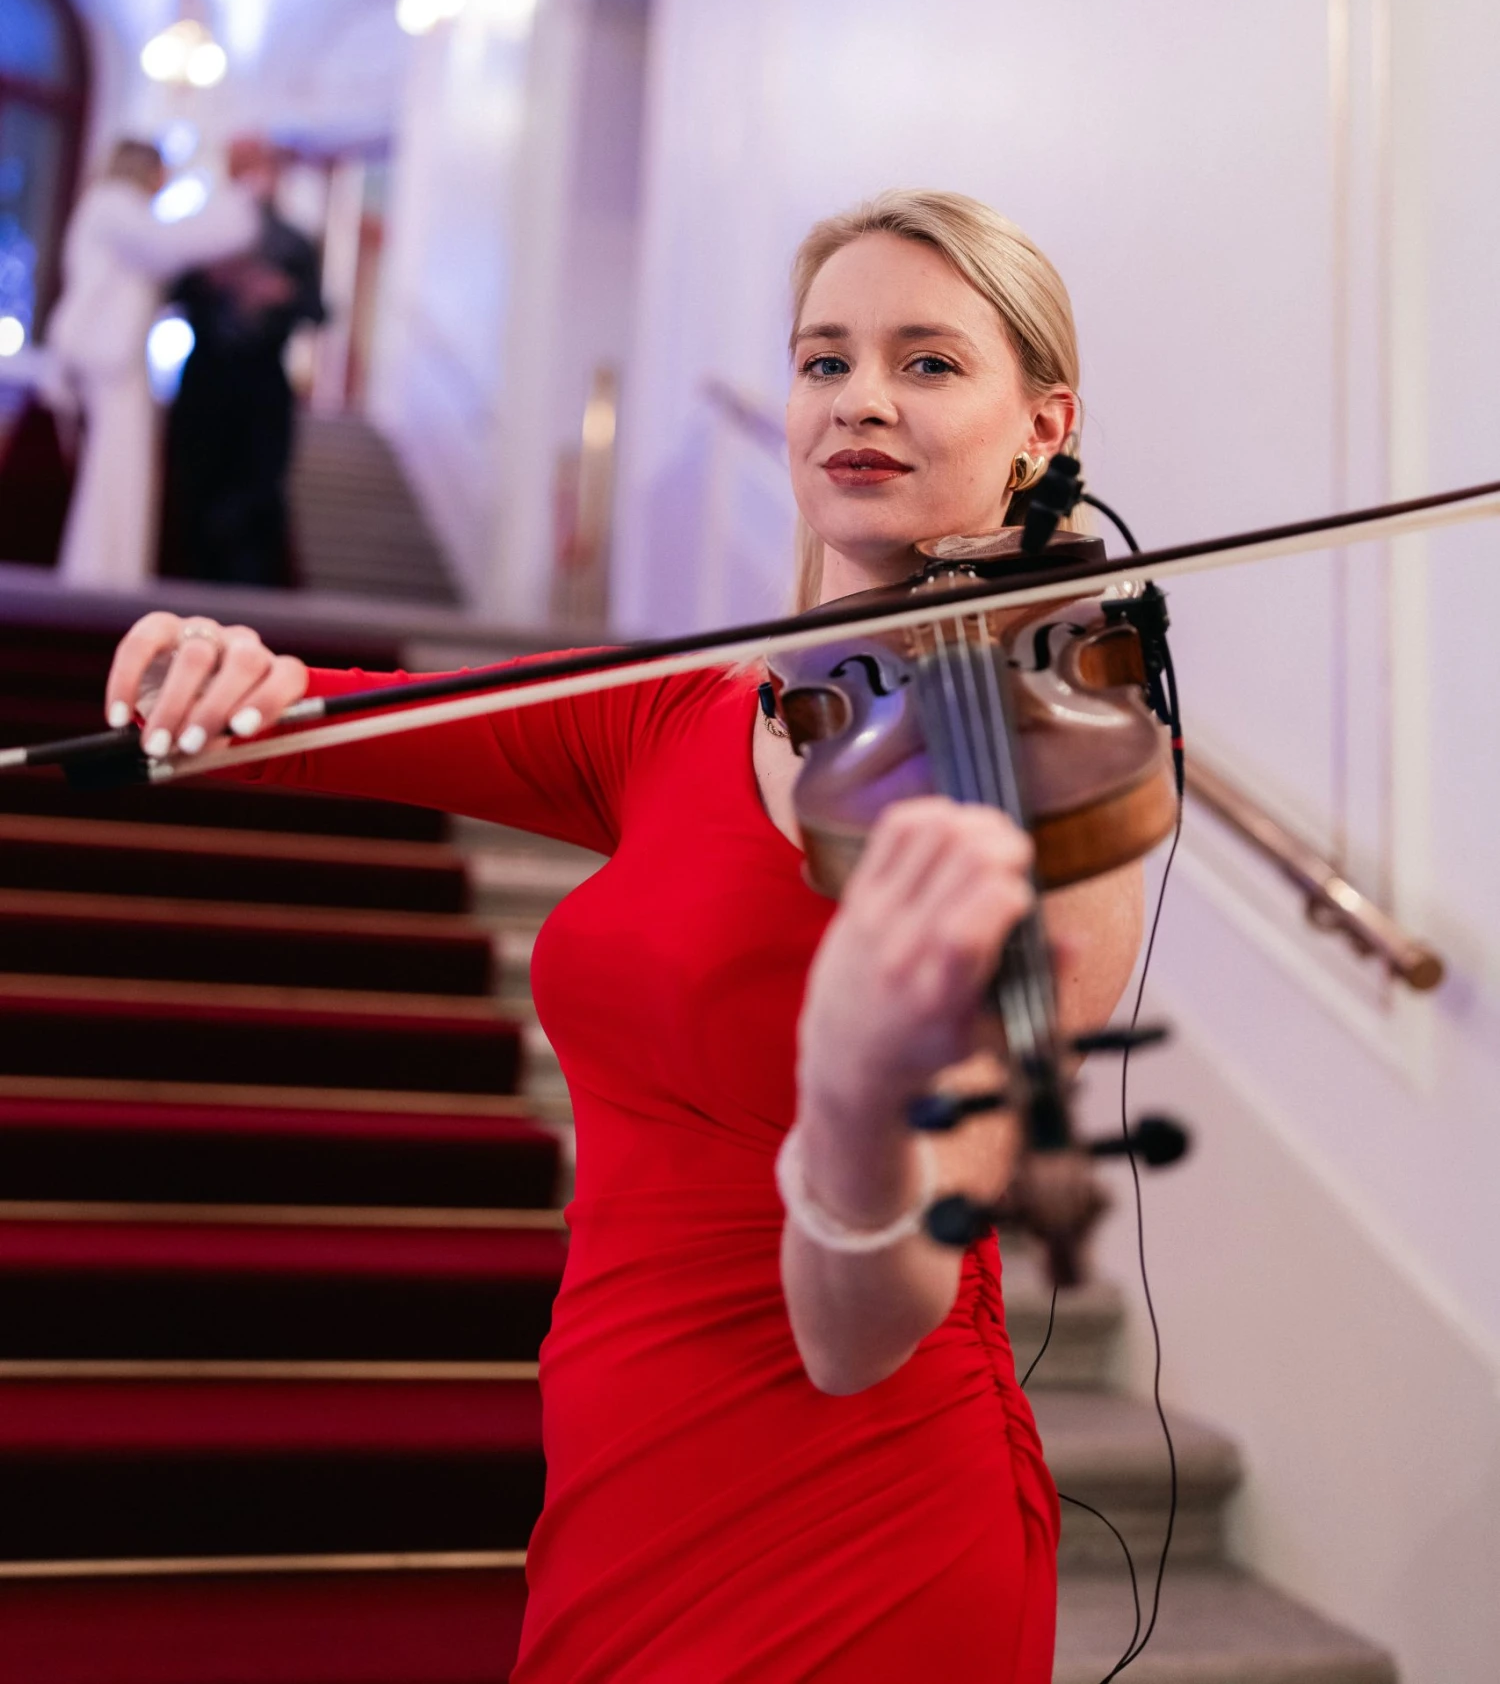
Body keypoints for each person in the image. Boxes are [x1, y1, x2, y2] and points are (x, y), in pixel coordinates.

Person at [101, 190, 1145, 1682]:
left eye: (927, 362)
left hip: (877, 1509)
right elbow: (304, 719)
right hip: (620, 1472)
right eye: (824, 359)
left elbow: (860, 1333)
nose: (858, 398)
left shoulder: (1052, 775)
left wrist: (855, 1098)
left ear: (1043, 425)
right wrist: (216, 671)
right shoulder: (672, 714)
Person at [42, 137, 257, 586]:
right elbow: (167, 247)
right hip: (105, 358)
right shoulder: (113, 205)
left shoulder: (115, 209)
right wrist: (240, 204)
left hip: (119, 358)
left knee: (120, 474)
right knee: (115, 473)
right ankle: (101, 576)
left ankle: (112, 573)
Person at [162, 135, 324, 586]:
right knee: (198, 486)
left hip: (262, 383)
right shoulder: (205, 232)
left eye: (260, 163)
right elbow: (171, 291)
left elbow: (318, 308)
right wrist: (214, 280)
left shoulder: (293, 240)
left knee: (257, 491)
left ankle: (249, 591)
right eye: (242, 163)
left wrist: (282, 293)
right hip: (207, 378)